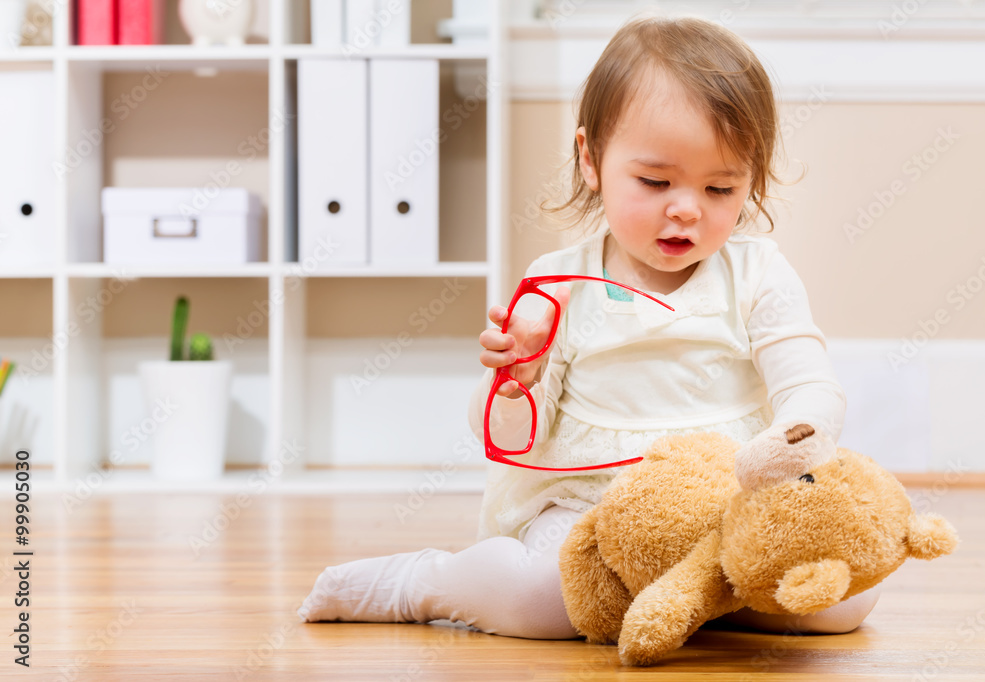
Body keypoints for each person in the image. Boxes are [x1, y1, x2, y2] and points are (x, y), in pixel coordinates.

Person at [297, 13, 880, 640]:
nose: (686, 207)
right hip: (590, 513)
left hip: (726, 509)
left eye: (720, 187)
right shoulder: (559, 283)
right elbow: (505, 437)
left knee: (843, 601)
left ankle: (695, 594)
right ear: (591, 159)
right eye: (655, 181)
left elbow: (810, 388)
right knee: (535, 600)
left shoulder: (759, 272)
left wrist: (790, 444)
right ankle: (424, 581)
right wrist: (519, 380)